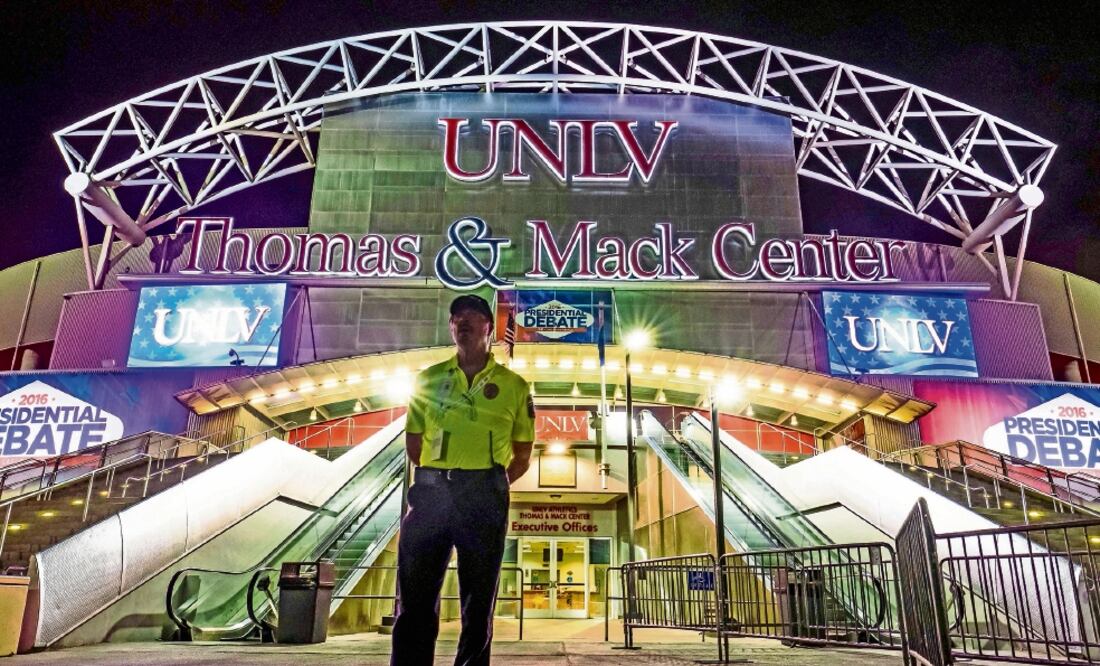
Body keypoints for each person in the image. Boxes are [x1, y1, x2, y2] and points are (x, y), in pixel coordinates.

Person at [391, 293, 534, 666]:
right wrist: (440, 475)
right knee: (415, 598)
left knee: (478, 601)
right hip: (432, 494)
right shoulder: (429, 379)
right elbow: (414, 440)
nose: (463, 322)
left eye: (472, 315)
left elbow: (522, 453)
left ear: (490, 326)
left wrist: (490, 484)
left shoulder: (514, 386)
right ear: (451, 326)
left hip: (483, 494)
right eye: (456, 317)